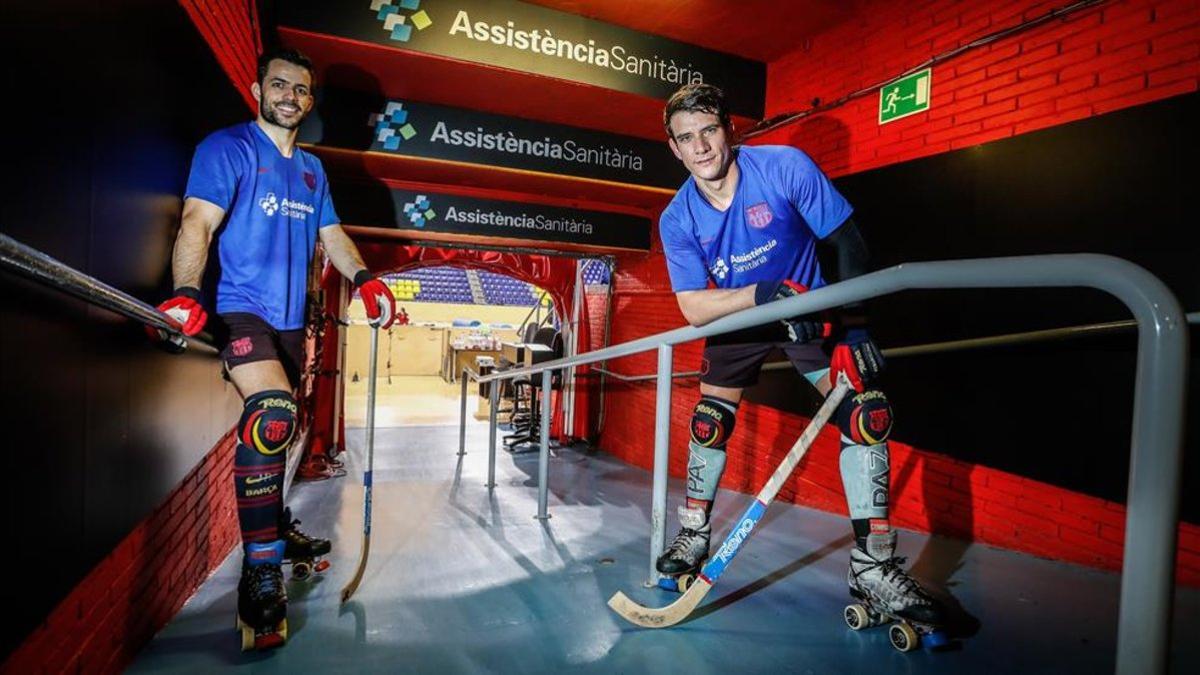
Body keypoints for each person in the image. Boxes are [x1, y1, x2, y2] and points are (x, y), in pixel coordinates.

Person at [655, 83, 943, 628]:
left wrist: (854, 328)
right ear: (674, 147)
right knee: (710, 422)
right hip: (742, 318)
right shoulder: (677, 218)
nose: (701, 147)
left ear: (729, 131)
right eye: (686, 138)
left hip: (806, 310)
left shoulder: (784, 167)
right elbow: (693, 308)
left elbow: (848, 243)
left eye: (709, 131)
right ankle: (693, 535)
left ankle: (873, 566)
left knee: (867, 413)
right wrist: (762, 292)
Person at [150, 48, 396, 646]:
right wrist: (184, 291)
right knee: (272, 415)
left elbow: (332, 235)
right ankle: (259, 573)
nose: (289, 95)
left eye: (300, 89)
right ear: (260, 88)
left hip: (292, 324)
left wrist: (364, 280)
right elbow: (197, 222)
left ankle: (276, 522)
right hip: (241, 311)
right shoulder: (227, 147)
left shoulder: (312, 170)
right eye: (279, 84)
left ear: (310, 102)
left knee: (287, 427)